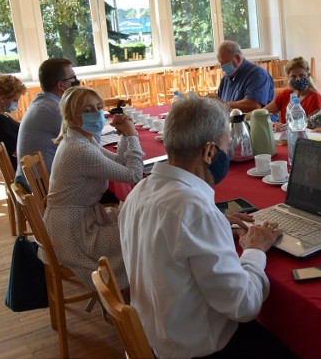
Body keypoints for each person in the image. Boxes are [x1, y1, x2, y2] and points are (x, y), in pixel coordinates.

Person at [120, 97, 283, 358]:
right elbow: (243, 305)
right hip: (197, 350)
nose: (228, 153)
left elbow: (175, 239)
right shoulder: (194, 211)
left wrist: (213, 223)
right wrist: (254, 249)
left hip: (156, 338)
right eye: (227, 145)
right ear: (209, 152)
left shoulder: (140, 191)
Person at [40, 86, 143, 290]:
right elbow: (134, 175)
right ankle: (139, 289)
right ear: (70, 117)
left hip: (73, 221)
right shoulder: (80, 150)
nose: (96, 114)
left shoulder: (79, 140)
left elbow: (121, 163)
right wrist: (132, 136)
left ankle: (138, 284)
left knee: (134, 221)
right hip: (72, 234)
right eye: (87, 110)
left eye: (98, 108)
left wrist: (123, 135)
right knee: (140, 232)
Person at [15, 58, 79, 179]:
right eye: (73, 78)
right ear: (61, 85)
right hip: (41, 184)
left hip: (33, 178)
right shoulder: (53, 109)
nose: (76, 81)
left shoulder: (44, 102)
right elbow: (86, 140)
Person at [263, 56, 321, 126]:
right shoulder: (286, 94)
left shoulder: (315, 98)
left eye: (302, 76)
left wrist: (283, 126)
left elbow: (309, 125)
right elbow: (263, 112)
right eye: (293, 76)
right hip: (285, 135)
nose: (298, 79)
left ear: (308, 76)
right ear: (288, 78)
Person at [215, 40, 275, 113]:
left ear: (237, 58)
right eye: (220, 63)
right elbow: (220, 103)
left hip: (257, 123)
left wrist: (222, 104)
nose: (222, 67)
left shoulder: (257, 74)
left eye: (224, 63)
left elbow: (254, 106)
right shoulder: (225, 79)